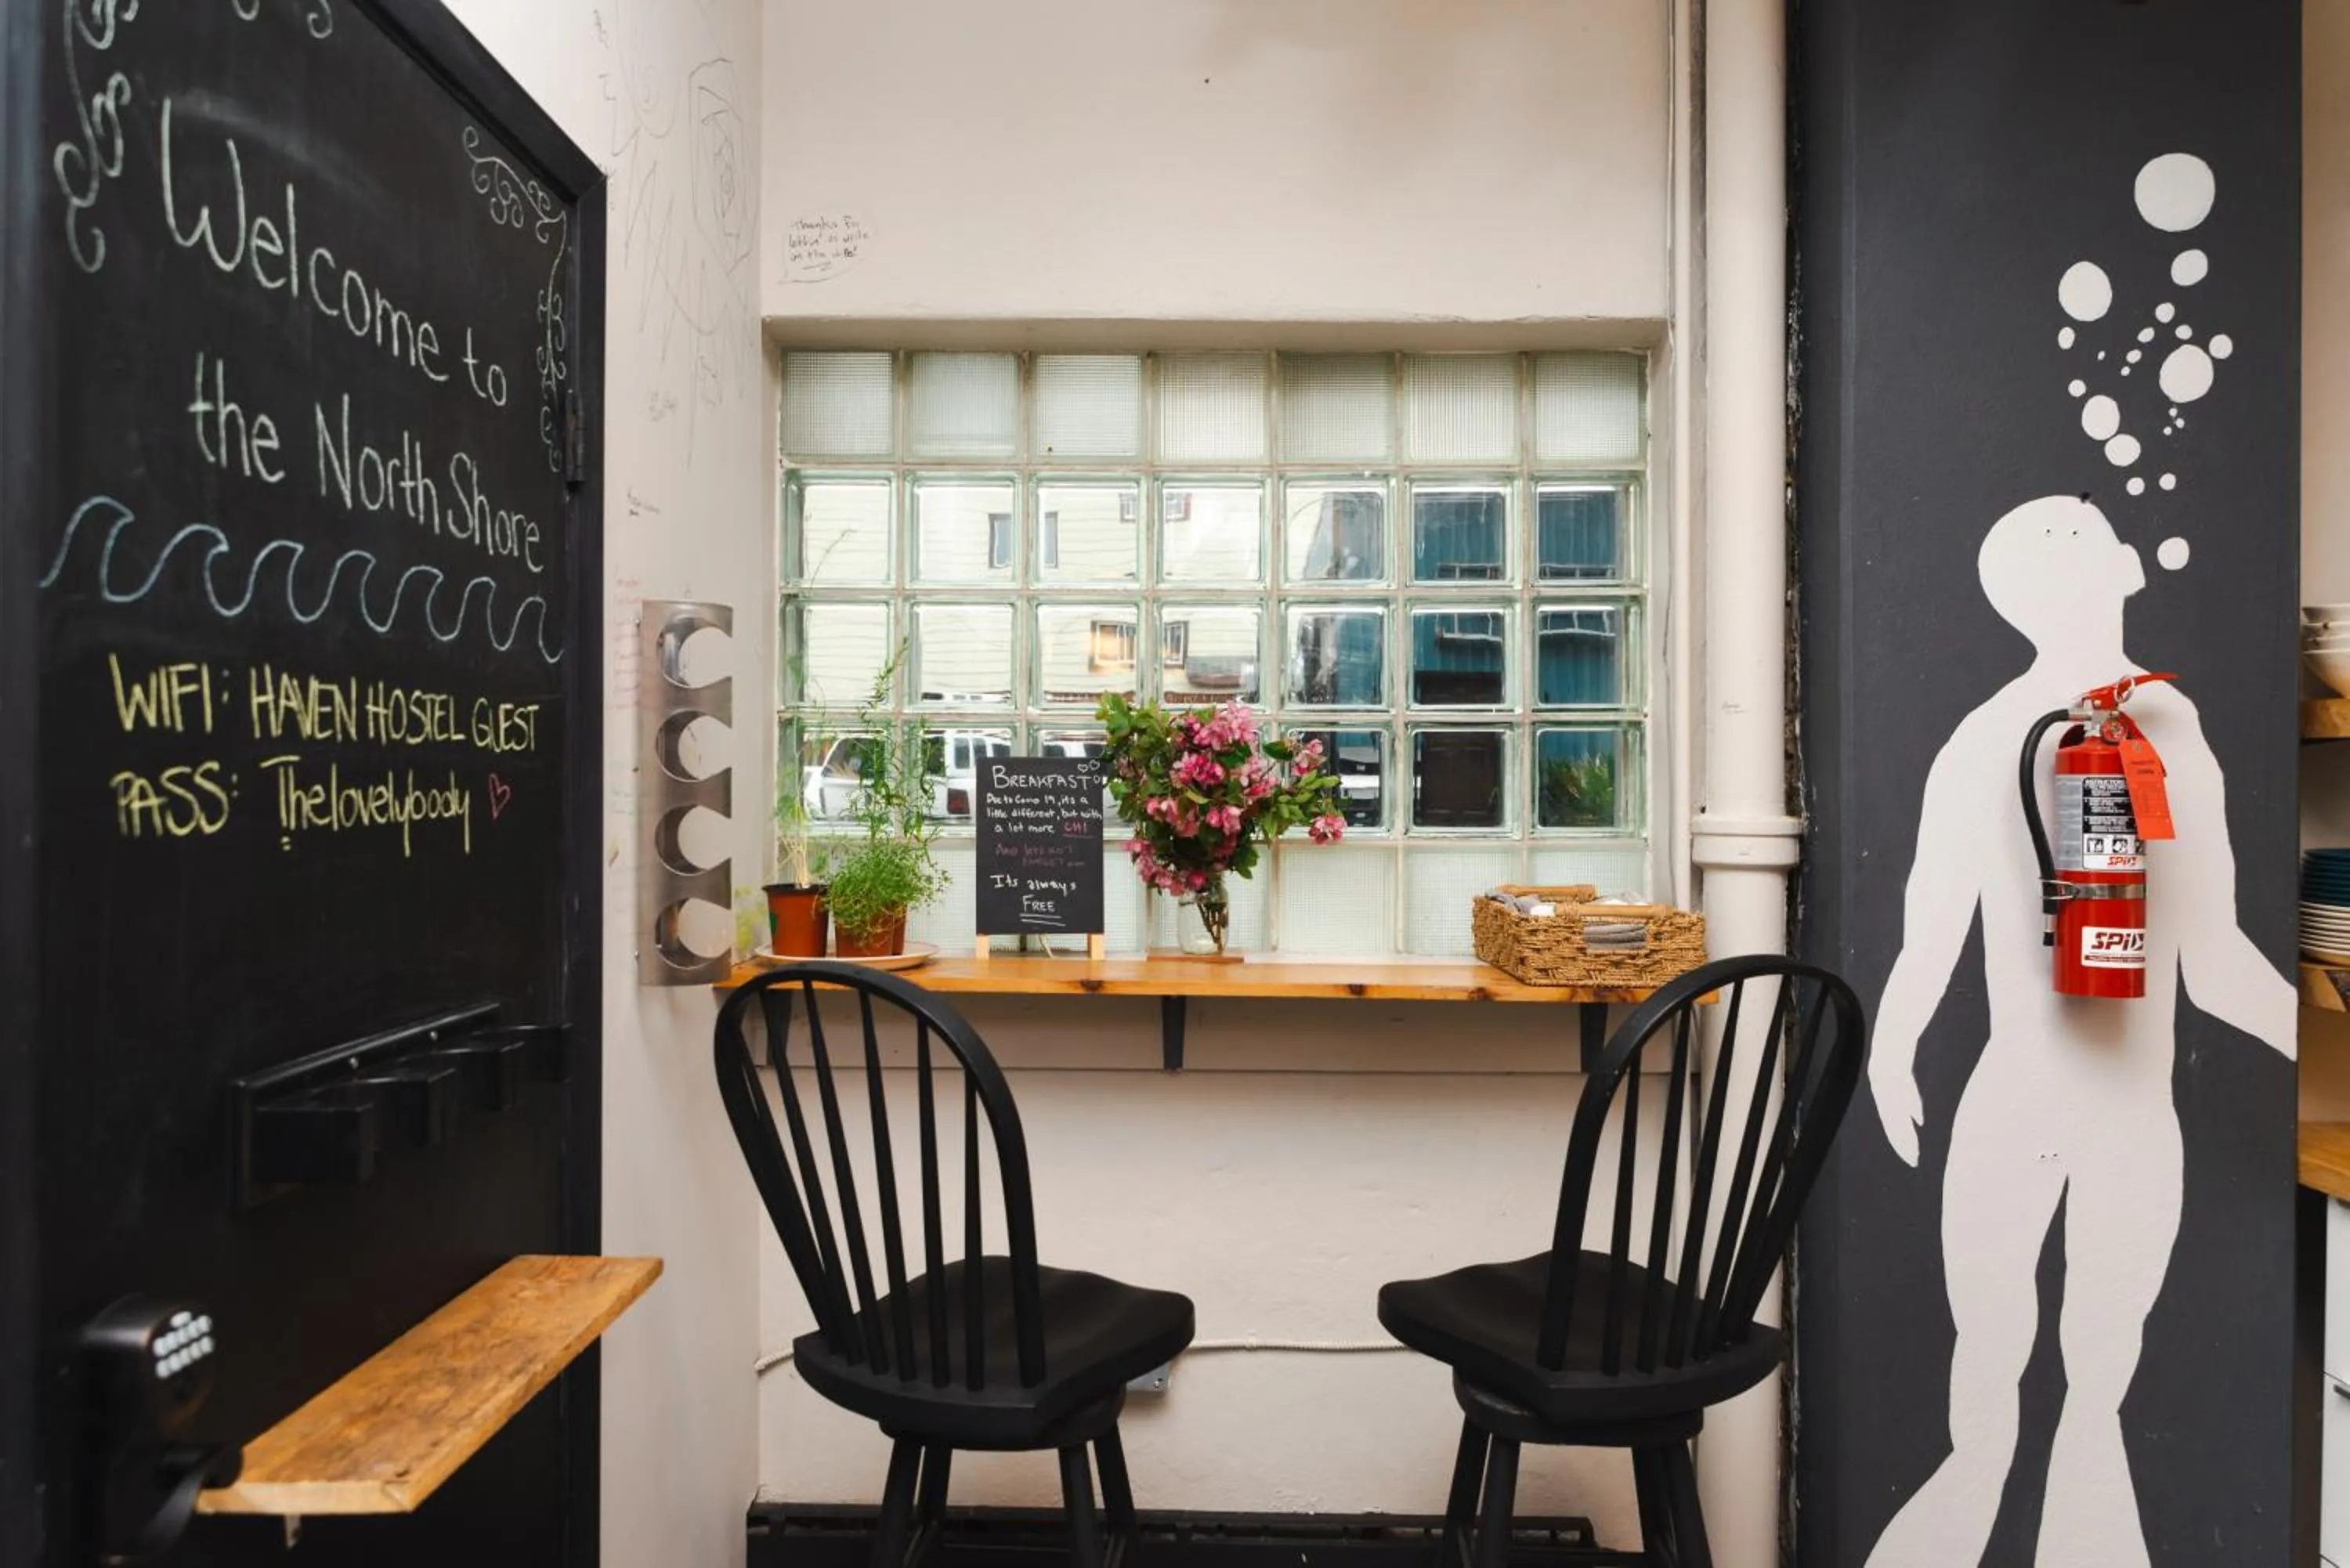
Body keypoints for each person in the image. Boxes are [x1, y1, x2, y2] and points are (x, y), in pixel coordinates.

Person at [1861, 493, 2294, 1568]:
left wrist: (1893, 1046)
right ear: (2099, 572)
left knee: (2011, 1396)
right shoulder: (2149, 728)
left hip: (2028, 1105)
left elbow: (1927, 944)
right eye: (2095, 535)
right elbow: (2214, 956)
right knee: (2073, 1391)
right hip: (2111, 1111)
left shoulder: (1994, 736)